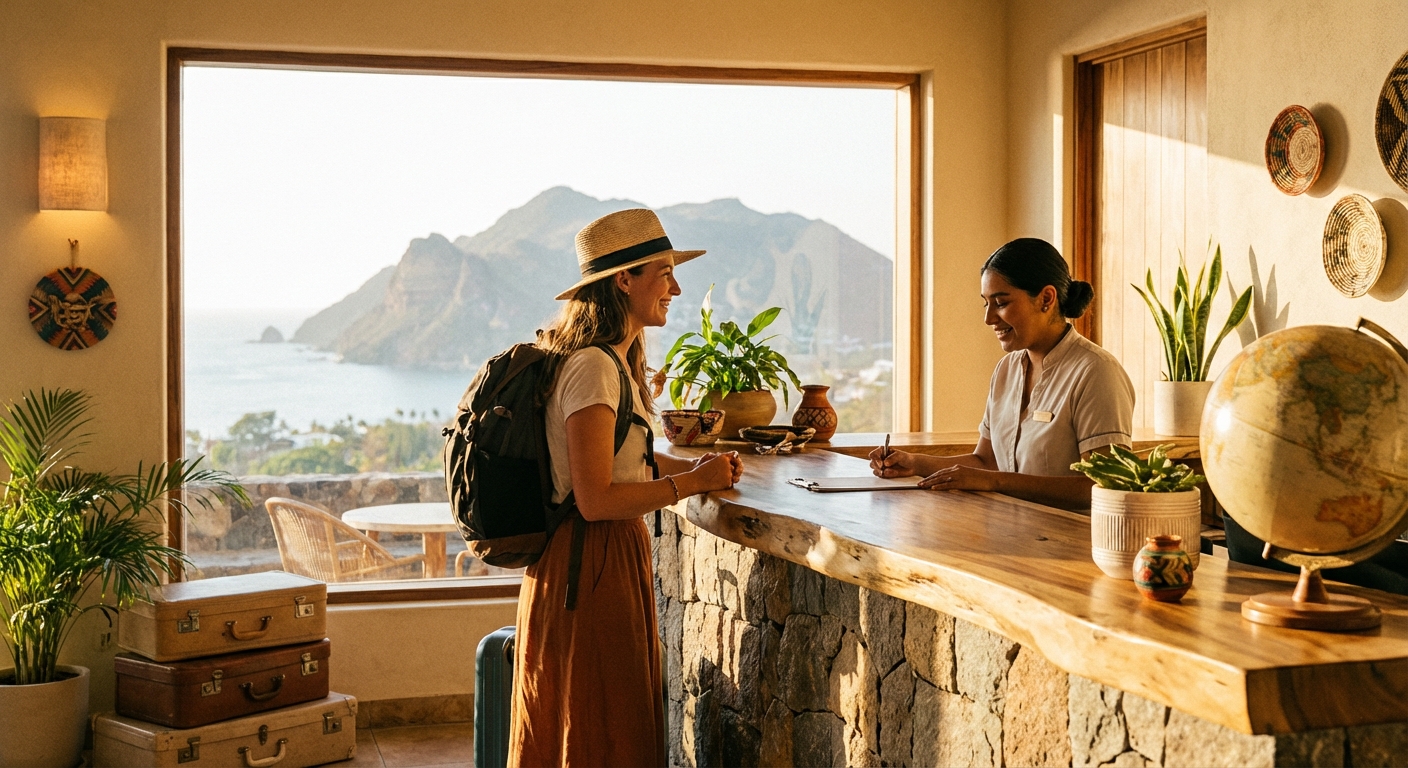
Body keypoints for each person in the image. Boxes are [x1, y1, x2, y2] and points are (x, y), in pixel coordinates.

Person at [510, 208, 744, 766]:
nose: (676, 289)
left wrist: (688, 467)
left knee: (602, 724)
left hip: (599, 560)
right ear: (623, 280)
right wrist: (692, 482)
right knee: (601, 728)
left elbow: (619, 460)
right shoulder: (593, 367)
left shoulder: (612, 361)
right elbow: (595, 499)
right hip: (590, 563)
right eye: (664, 273)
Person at [871, 237, 1134, 510]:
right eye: (986, 303)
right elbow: (987, 462)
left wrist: (995, 482)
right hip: (1007, 528)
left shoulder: (1096, 372)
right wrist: (914, 463)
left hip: (1068, 534)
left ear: (1046, 298)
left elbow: (1104, 485)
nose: (989, 318)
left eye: (1001, 302)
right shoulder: (1006, 370)